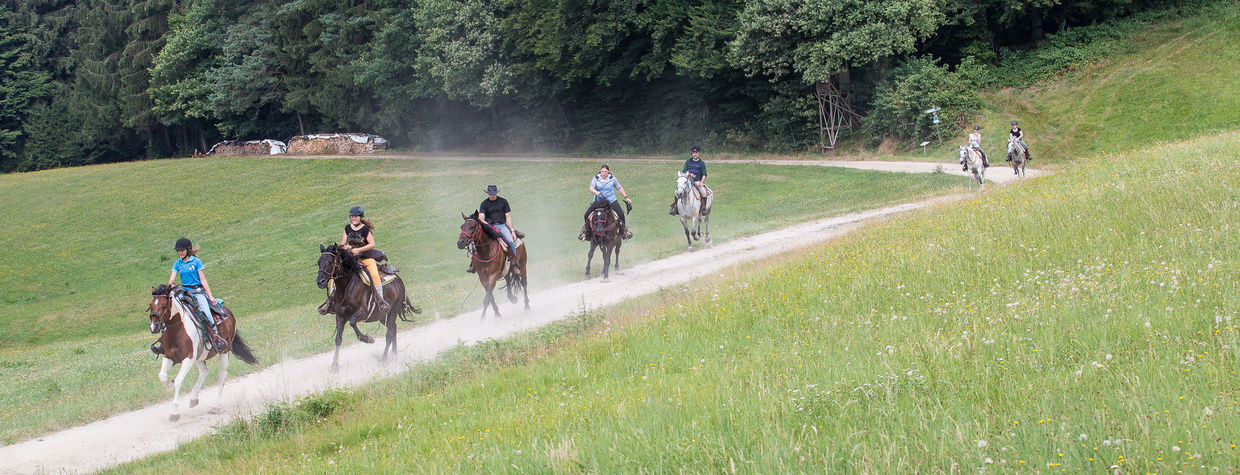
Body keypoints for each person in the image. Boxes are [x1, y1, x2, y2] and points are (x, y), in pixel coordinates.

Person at [167, 237, 229, 351]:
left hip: (198, 292)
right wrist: (169, 287)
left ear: (188, 250)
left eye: (182, 250)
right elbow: (172, 279)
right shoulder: (177, 263)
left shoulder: (196, 262)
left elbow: (203, 280)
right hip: (184, 292)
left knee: (207, 313)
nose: (180, 252)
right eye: (178, 250)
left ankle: (216, 337)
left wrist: (210, 296)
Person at [341, 206, 390, 313]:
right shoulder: (347, 228)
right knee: (338, 271)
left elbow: (372, 244)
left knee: (375, 275)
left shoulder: (365, 229)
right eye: (352, 216)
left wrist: (359, 250)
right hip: (352, 258)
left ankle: (380, 301)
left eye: (356, 216)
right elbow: (343, 244)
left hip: (366, 257)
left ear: (360, 217)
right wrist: (347, 247)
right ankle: (331, 299)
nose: (353, 218)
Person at [471, 184, 522, 273]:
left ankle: (514, 264)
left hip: (502, 225)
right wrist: (487, 225)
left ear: (496, 193)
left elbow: (508, 217)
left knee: (510, 241)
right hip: (489, 226)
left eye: (494, 193)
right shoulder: (484, 204)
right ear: (488, 194)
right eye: (490, 193)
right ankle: (473, 264)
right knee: (474, 241)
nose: (492, 195)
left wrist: (512, 231)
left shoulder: (503, 201)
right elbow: (481, 217)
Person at [578, 164, 633, 241]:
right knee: (586, 214)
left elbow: (619, 187)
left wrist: (626, 197)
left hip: (611, 200)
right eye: (602, 171)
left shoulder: (612, 178)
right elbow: (591, 188)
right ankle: (587, 233)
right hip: (598, 200)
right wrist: (596, 192)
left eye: (605, 171)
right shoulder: (596, 178)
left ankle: (623, 232)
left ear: (608, 172)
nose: (603, 173)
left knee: (620, 214)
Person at [669, 144, 711, 215]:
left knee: (703, 192)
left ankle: (703, 209)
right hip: (688, 182)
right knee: (677, 192)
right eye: (694, 152)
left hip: (697, 182)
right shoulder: (688, 161)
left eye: (696, 152)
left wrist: (701, 182)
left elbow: (704, 174)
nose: (695, 154)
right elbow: (684, 172)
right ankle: (676, 208)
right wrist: (690, 174)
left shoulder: (701, 163)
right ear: (692, 153)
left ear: (699, 153)